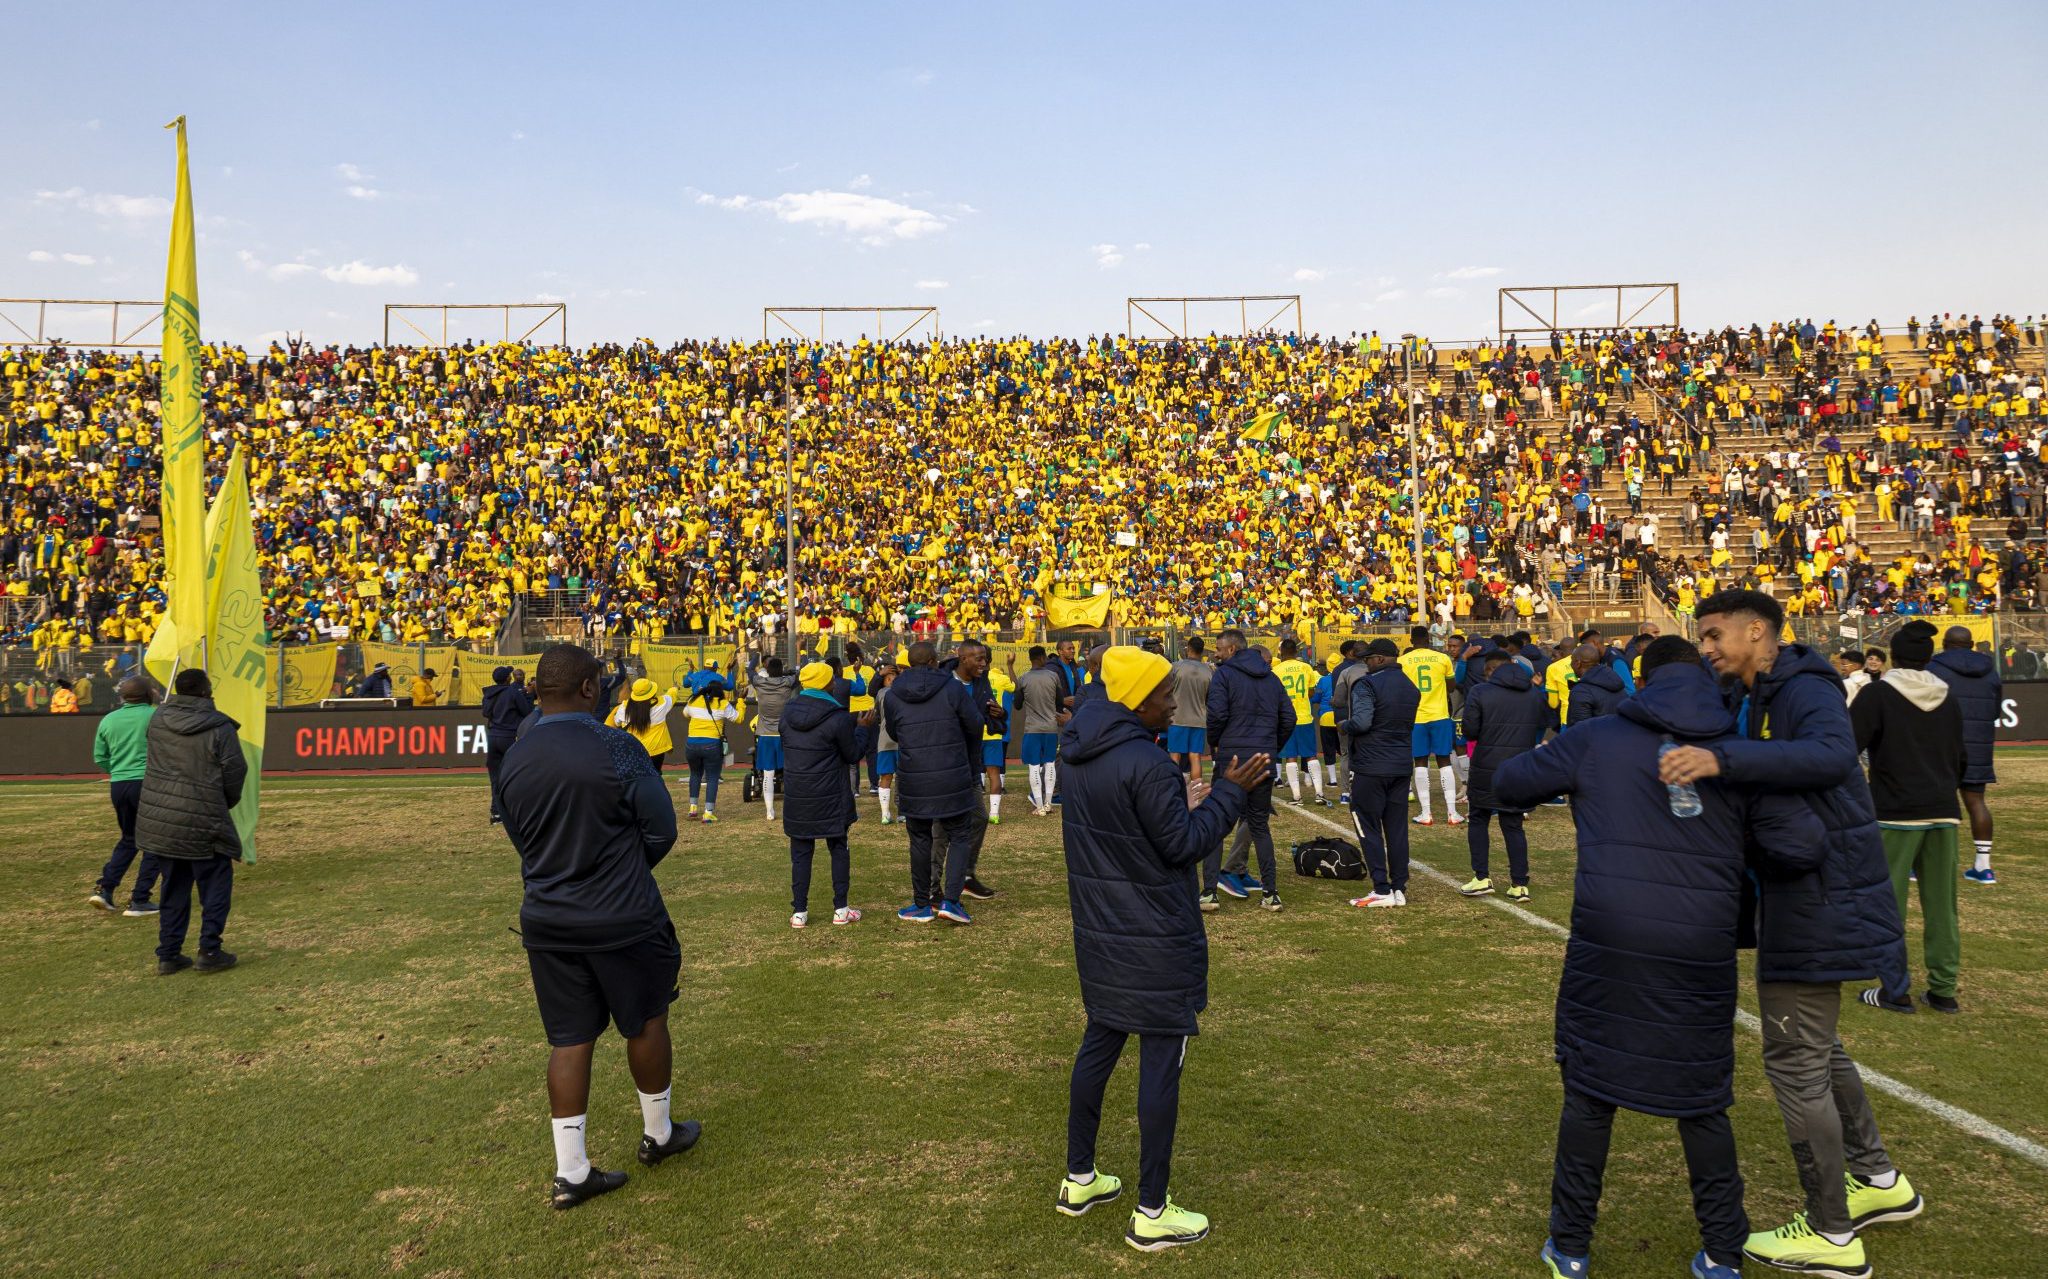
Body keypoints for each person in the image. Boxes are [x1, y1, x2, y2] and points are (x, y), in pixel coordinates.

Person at [1495, 636, 1826, 1279]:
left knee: (1591, 1092)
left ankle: (1570, 1245)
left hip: (1609, 939)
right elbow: (1801, 845)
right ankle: (1723, 1251)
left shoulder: (1601, 740)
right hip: (1698, 942)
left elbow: (1508, 782)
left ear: (1639, 680)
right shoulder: (1733, 753)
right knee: (1701, 1100)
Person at [1660, 590, 1918, 1277]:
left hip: (1816, 895)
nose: (1707, 646)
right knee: (1819, 1046)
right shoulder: (1759, 692)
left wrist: (1723, 763)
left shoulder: (1803, 688)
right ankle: (1879, 1179)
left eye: (1714, 634)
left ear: (1758, 631)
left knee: (1796, 1060)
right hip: (1800, 894)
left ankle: (1833, 1235)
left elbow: (1831, 757)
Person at [1054, 645, 1269, 1252]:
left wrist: (1185, 802)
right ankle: (1151, 1210)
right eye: (1164, 692)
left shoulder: (1082, 754)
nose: (1175, 702)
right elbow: (1183, 848)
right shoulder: (1144, 763)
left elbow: (1135, 833)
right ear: (1135, 699)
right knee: (1159, 1061)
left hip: (1103, 932)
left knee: (1099, 1043)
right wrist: (1226, 795)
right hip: (1152, 935)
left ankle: (1081, 1178)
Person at [498, 643, 698, 1210]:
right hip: (622, 915)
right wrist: (621, 872)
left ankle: (572, 1171)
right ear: (587, 688)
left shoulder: (517, 753)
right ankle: (659, 1135)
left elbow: (521, 838)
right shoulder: (615, 745)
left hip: (548, 916)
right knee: (646, 1020)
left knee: (569, 1038)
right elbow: (661, 829)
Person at [1854, 620, 1968, 1014]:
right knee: (1942, 907)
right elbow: (1961, 758)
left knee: (1889, 905)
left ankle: (1894, 988)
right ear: (1928, 658)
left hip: (1894, 812)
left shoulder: (1878, 695)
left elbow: (1847, 746)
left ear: (1893, 656)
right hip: (1943, 811)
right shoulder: (1948, 697)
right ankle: (1943, 989)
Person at [134, 668, 247, 975]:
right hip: (203, 818)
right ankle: (210, 949)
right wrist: (222, 803)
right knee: (215, 886)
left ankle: (169, 953)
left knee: (173, 887)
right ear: (205, 692)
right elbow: (235, 772)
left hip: (162, 818)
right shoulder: (220, 727)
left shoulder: (158, 719)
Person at [884, 641, 985, 925]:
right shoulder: (951, 688)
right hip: (951, 772)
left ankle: (922, 904)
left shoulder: (893, 694)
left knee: (920, 838)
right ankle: (951, 901)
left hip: (914, 775)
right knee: (959, 835)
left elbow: (894, 731)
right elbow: (975, 724)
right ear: (933, 661)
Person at [1201, 630, 1293, 911]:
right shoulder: (1271, 678)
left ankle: (1209, 892)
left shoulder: (1224, 675)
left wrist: (1218, 742)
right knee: (1259, 825)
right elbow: (1288, 717)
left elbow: (1216, 715)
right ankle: (1271, 893)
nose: (1215, 653)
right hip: (1262, 757)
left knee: (1217, 823)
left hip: (1232, 759)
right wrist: (1271, 745)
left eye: (1219, 648)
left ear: (1231, 650)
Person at [1458, 650, 1548, 902]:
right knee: (1513, 823)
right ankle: (1519, 882)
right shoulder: (1532, 692)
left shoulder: (1480, 692)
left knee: (1478, 818)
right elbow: (1543, 721)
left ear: (1489, 671)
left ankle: (1481, 877)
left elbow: (1470, 731)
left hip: (1487, 764)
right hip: (1520, 765)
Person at [780, 661, 863, 928]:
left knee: (801, 853)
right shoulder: (837, 717)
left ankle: (799, 912)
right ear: (827, 684)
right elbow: (852, 755)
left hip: (798, 794)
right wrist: (862, 729)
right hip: (831, 794)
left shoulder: (787, 714)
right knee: (838, 848)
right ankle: (841, 909)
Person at [1344, 639, 1420, 909]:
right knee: (1397, 828)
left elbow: (1362, 722)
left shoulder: (1368, 684)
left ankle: (1381, 887)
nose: (1365, 664)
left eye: (1368, 659)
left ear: (1379, 659)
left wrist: (1344, 725)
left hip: (1371, 765)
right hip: (1400, 764)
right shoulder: (1411, 687)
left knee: (1367, 825)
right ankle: (1399, 886)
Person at [1926, 627, 2002, 884]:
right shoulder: (1990, 670)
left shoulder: (1934, 668)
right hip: (1978, 745)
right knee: (1976, 802)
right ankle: (1983, 866)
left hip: (1941, 743)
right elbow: (1995, 712)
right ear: (1971, 644)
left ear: (1945, 644)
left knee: (1933, 803)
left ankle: (1925, 865)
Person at [88, 675, 161, 917]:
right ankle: (140, 898)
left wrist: (119, 771)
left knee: (129, 838)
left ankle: (105, 889)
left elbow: (100, 756)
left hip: (119, 784)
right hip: (148, 783)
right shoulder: (154, 715)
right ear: (148, 694)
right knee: (154, 842)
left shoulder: (109, 719)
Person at [952, 640, 1005, 896]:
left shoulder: (981, 682)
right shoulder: (945, 681)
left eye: (985, 659)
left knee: (979, 818)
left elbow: (990, 719)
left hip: (971, 762)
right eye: (979, 659)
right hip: (946, 763)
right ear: (963, 658)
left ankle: (965, 875)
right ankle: (931, 890)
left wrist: (999, 714)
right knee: (940, 829)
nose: (984, 664)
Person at [1400, 624, 1461, 825]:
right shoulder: (1443, 658)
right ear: (1428, 639)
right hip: (1440, 715)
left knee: (1420, 762)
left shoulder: (1403, 660)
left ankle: (1426, 813)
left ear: (1411, 641)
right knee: (1444, 761)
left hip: (1415, 718)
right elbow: (1451, 686)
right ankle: (1452, 812)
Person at [1272, 637, 1326, 805]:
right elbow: (1311, 692)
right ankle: (1319, 793)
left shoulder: (1276, 670)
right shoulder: (1306, 667)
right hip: (1304, 716)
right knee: (1311, 755)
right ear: (1296, 652)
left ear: (1280, 653)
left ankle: (1297, 797)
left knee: (1290, 757)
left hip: (1286, 719)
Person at [1013, 646, 1066, 816]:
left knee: (1034, 766)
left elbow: (1018, 704)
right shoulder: (1053, 676)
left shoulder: (1024, 679)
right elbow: (1060, 702)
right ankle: (1049, 803)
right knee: (1050, 763)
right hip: (1051, 728)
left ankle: (1040, 806)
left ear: (1030, 659)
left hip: (1032, 729)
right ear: (1043, 657)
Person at [678, 675, 737, 822]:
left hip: (691, 743)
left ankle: (692, 809)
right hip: (712, 744)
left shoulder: (694, 700)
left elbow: (685, 714)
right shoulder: (723, 703)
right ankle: (708, 812)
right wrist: (741, 702)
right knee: (712, 778)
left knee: (695, 774)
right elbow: (738, 718)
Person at [481, 666, 534, 825]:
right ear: (508, 679)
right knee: (516, 775)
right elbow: (526, 711)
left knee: (496, 778)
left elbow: (485, 713)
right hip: (508, 736)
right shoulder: (512, 692)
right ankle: (519, 812)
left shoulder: (488, 693)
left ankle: (496, 813)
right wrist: (530, 696)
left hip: (492, 737)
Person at [749, 656, 798, 823]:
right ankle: (793, 808)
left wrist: (756, 654)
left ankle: (770, 811)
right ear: (781, 670)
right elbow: (801, 674)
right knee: (791, 773)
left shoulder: (759, 682)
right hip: (784, 734)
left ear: (767, 670)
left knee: (767, 774)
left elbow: (749, 670)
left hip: (765, 735)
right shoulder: (787, 683)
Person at [1166, 636, 1212, 777]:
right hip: (1199, 720)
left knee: (1175, 756)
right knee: (1195, 757)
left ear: (1188, 649)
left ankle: (1174, 789)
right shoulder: (1209, 671)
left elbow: (1166, 690)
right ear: (1202, 651)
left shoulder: (1176, 667)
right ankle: (1196, 794)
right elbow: (1210, 698)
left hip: (1178, 718)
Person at [608, 678, 675, 771]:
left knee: (637, 778)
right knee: (656, 776)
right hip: (656, 752)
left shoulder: (624, 707)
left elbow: (616, 722)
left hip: (634, 750)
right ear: (652, 692)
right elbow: (671, 695)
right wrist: (674, 688)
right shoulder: (662, 703)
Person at [1563, 643, 1626, 727]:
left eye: (1572, 660)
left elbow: (1579, 731)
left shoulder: (1581, 691)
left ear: (1578, 663)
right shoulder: (1614, 679)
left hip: (1599, 739)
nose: (1570, 664)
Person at [873, 664, 902, 824]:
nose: (890, 682)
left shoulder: (880, 693)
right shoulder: (903, 693)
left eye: (892, 679)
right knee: (902, 776)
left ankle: (885, 813)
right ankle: (902, 812)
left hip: (884, 739)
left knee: (885, 776)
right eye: (888, 679)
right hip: (902, 739)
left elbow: (877, 715)